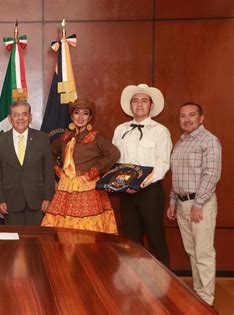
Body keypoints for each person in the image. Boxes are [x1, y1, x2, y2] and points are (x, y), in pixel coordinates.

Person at [166, 102, 221, 305]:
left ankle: (206, 300)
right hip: (182, 205)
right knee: (192, 251)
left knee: (204, 252)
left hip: (201, 204)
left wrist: (198, 203)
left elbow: (212, 174)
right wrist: (173, 201)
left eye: (192, 115)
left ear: (201, 118)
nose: (187, 119)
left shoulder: (209, 141)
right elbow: (177, 176)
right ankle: (199, 293)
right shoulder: (181, 142)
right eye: (183, 116)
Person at [112, 83, 172, 266]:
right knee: (130, 239)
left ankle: (164, 286)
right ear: (130, 105)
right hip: (126, 193)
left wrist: (140, 183)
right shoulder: (120, 130)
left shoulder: (161, 131)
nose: (139, 104)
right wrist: (121, 183)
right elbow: (115, 161)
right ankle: (132, 283)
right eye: (135, 101)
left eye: (144, 101)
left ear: (151, 106)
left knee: (156, 238)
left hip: (150, 192)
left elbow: (163, 164)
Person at [41, 99, 119, 233]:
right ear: (72, 117)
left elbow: (114, 154)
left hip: (87, 185)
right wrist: (57, 170)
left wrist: (94, 171)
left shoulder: (96, 137)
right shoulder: (65, 137)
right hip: (66, 186)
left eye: (85, 113)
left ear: (90, 118)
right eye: (77, 113)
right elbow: (49, 153)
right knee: (63, 229)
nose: (81, 117)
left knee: (87, 230)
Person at [0, 100, 54, 226]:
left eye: (24, 114)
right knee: (14, 243)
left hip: (37, 202)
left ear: (30, 117)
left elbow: (48, 171)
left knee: (35, 242)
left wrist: (47, 198)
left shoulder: (42, 139)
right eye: (16, 115)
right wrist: (0, 200)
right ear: (10, 118)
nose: (20, 118)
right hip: (10, 202)